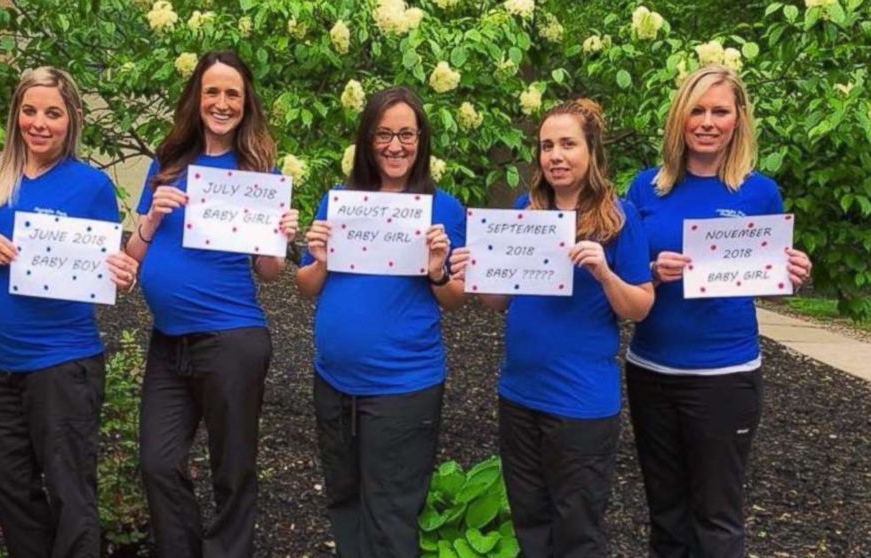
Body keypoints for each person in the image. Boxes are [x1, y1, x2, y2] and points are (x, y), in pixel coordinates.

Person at [450, 98, 654, 557]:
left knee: (577, 531)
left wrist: (604, 273)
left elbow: (640, 306)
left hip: (580, 403)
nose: (555, 156)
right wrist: (474, 273)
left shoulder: (619, 219)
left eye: (567, 144)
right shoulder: (525, 210)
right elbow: (499, 302)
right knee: (530, 524)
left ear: (592, 151)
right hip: (520, 395)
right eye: (546, 146)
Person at [624, 65, 813, 557]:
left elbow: (769, 285)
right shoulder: (646, 189)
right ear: (680, 118)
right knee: (665, 515)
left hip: (725, 374)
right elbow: (625, 279)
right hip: (651, 370)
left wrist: (792, 274)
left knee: (717, 517)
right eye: (698, 110)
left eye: (720, 111)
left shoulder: (758, 192)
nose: (707, 122)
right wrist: (650, 267)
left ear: (738, 120)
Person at [0, 66, 138, 557]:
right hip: (2, 364)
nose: (39, 123)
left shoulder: (90, 186)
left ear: (71, 118)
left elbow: (105, 263)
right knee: (11, 490)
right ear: (16, 115)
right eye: (29, 111)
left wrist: (122, 270)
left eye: (52, 113)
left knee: (71, 492)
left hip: (63, 363)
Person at [123, 51, 298, 558]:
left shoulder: (257, 173)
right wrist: (151, 218)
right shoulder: (167, 164)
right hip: (168, 342)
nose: (222, 103)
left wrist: (280, 236)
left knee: (232, 468)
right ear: (196, 100)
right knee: (157, 461)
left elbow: (268, 273)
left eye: (233, 94)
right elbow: (132, 261)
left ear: (246, 105)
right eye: (212, 93)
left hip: (231, 341)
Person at [295, 86, 466, 557]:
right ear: (368, 140)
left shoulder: (443, 208)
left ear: (421, 140)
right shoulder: (340, 202)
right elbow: (306, 285)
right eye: (384, 134)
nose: (395, 145)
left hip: (403, 388)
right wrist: (319, 258)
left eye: (406, 134)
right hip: (333, 383)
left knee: (391, 514)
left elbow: (455, 299)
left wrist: (437, 268)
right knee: (343, 501)